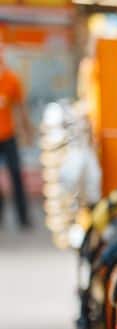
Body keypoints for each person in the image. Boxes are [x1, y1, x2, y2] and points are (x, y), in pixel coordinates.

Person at [0, 44, 34, 229]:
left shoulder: (11, 80)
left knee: (16, 176)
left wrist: (28, 132)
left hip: (8, 135)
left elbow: (21, 109)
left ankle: (23, 217)